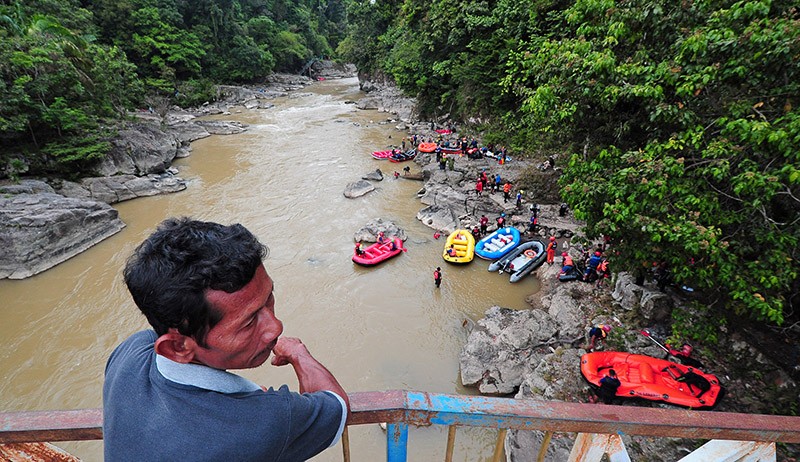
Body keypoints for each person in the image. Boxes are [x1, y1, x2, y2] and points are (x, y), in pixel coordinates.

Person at [104, 218, 349, 461]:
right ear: (178, 347)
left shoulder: (128, 355)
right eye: (249, 322)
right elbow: (336, 405)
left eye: (269, 297)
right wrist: (298, 353)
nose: (275, 327)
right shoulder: (263, 423)